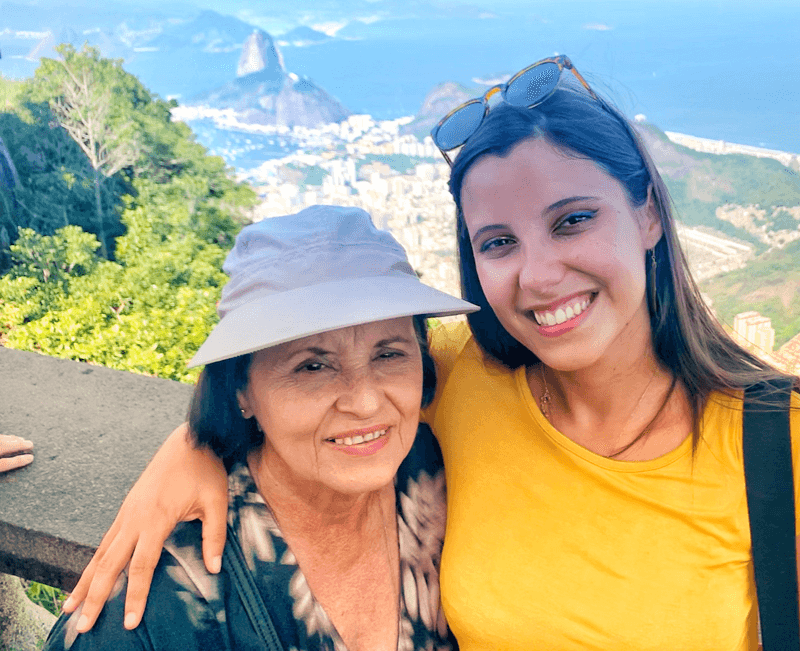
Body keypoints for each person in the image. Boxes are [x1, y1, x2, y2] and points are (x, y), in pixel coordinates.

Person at [62, 57, 800, 650]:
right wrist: (196, 444)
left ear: (649, 214)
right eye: (499, 242)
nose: (540, 276)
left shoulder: (778, 443)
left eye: (573, 221)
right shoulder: (462, 372)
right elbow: (305, 374)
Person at [44, 205, 477, 651]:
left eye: (388, 355)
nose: (365, 402)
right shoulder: (163, 598)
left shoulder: (441, 466)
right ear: (242, 391)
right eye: (313, 366)